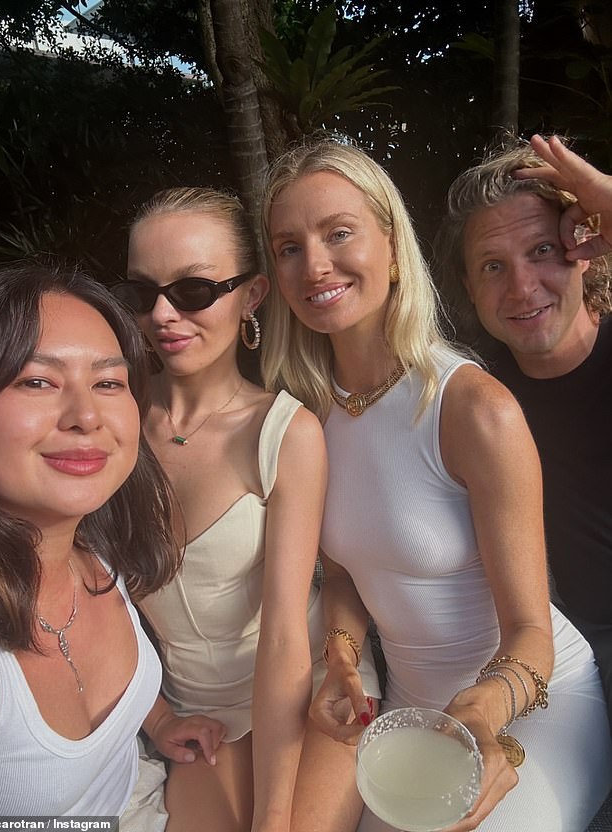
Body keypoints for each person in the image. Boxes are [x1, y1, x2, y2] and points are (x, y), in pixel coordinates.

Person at [261, 138, 612, 832]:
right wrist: (342, 660)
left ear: (393, 247)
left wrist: (477, 713)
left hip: (530, 707)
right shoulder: (304, 413)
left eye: (338, 234)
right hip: (407, 713)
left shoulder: (475, 409)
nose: (316, 264)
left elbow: (532, 633)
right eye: (288, 247)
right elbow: (344, 576)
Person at [114, 187, 380, 832]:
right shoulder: (109, 419)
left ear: (251, 296)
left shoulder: (284, 433)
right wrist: (157, 718)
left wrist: (273, 817)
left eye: (194, 290)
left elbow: (287, 635)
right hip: (193, 706)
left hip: (309, 687)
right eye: (141, 293)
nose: (162, 315)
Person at [0, 263, 226, 821]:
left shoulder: (95, 547)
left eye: (109, 382)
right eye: (37, 381)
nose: (87, 415)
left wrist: (158, 721)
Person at [435, 134, 612, 729]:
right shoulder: (474, 402)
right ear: (469, 289)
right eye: (493, 267)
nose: (521, 286)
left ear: (585, 247)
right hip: (565, 661)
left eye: (542, 249)